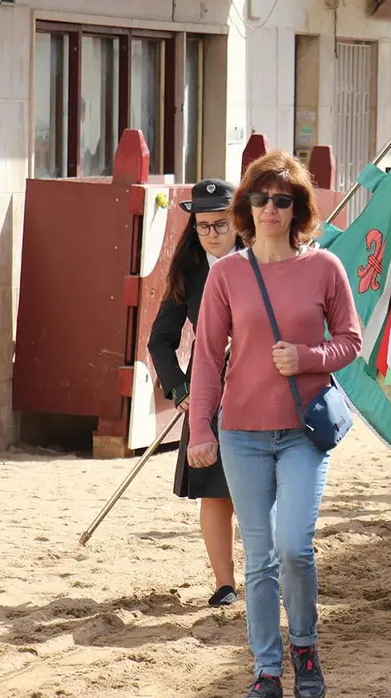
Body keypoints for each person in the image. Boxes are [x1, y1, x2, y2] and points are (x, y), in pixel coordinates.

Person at [186, 151, 362, 698]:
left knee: (295, 547)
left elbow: (351, 342)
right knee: (259, 559)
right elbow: (209, 359)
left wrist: (308, 357)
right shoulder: (227, 275)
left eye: (282, 200)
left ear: (298, 208)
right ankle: (266, 670)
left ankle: (304, 647)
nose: (270, 208)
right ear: (246, 206)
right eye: (260, 199)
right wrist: (199, 431)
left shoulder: (324, 267)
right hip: (241, 431)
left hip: (304, 432)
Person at [147, 179, 243, 608]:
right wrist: (180, 388)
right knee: (214, 490)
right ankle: (224, 584)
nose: (211, 234)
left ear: (239, 222)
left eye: (220, 225)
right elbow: (160, 340)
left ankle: (267, 577)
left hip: (262, 387)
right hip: (210, 391)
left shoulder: (266, 261)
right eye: (203, 227)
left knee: (260, 492)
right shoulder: (188, 271)